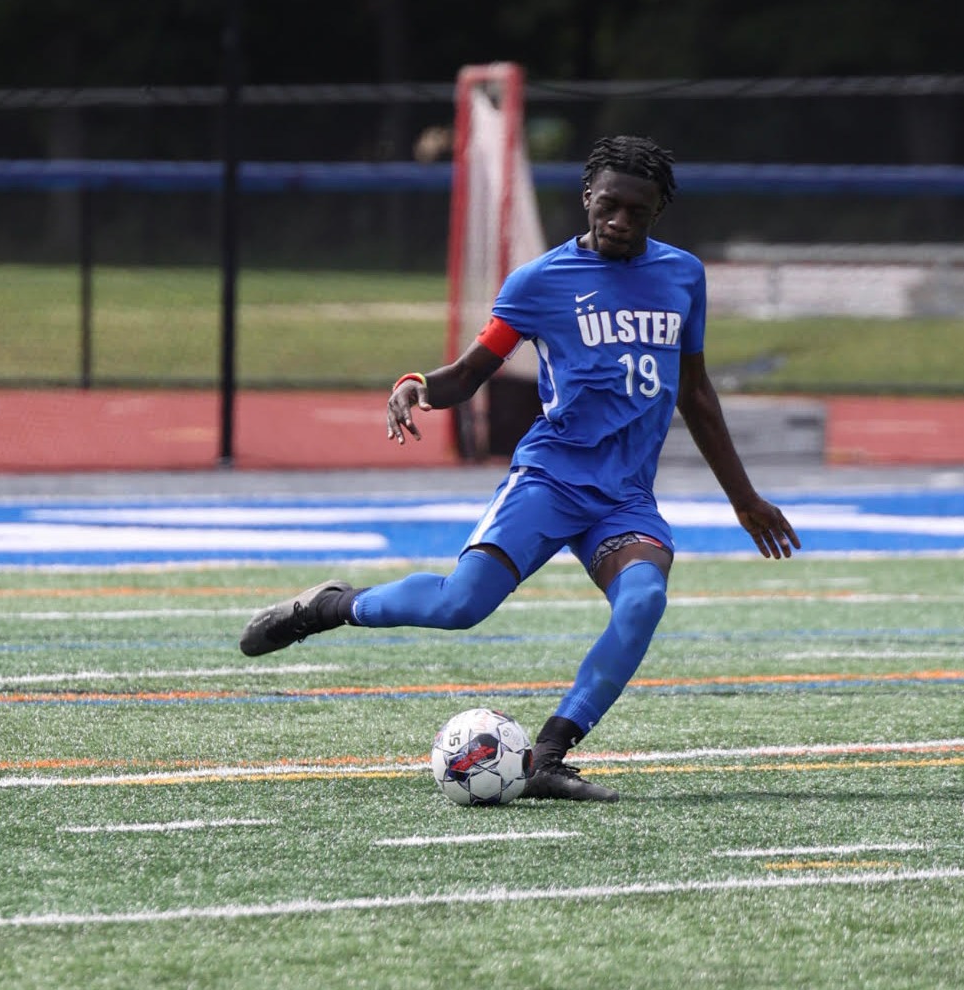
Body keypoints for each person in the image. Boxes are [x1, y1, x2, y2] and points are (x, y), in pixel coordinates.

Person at [240, 135, 801, 802]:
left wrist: (744, 499)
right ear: (587, 197)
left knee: (645, 600)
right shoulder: (540, 282)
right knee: (459, 605)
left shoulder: (683, 276)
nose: (621, 221)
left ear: (658, 215)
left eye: (639, 212)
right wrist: (418, 383)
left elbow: (696, 392)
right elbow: (471, 373)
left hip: (623, 499)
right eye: (610, 205)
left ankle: (549, 755)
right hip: (550, 480)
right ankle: (332, 606)